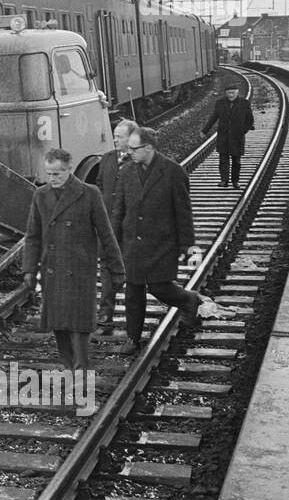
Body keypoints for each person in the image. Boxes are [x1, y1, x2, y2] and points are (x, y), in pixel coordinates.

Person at [23, 148, 124, 371]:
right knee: (59, 325)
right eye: (49, 174)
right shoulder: (41, 195)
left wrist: (117, 270)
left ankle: (80, 372)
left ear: (70, 170)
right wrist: (29, 269)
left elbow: (106, 233)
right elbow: (33, 235)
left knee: (79, 326)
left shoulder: (89, 193)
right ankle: (69, 370)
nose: (52, 179)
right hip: (54, 268)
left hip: (80, 269)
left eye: (57, 174)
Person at [111, 127, 206, 352]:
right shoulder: (126, 172)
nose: (129, 152)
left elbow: (183, 212)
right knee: (133, 291)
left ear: (149, 148)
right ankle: (132, 338)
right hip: (132, 243)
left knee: (159, 287)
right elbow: (118, 210)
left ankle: (188, 301)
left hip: (162, 243)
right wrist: (113, 242)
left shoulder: (173, 172)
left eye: (134, 148)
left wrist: (187, 245)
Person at [95, 118, 139, 326]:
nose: (114, 140)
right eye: (114, 135)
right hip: (107, 226)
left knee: (130, 271)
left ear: (131, 139)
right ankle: (105, 313)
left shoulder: (139, 162)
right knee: (105, 267)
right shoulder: (107, 159)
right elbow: (100, 186)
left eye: (119, 136)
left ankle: (132, 319)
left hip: (130, 228)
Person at [203, 80, 255, 188]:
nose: (231, 95)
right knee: (223, 159)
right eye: (229, 93)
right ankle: (224, 180)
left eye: (233, 93)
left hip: (237, 137)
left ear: (237, 93)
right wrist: (204, 131)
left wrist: (243, 130)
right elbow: (214, 117)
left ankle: (235, 181)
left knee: (236, 160)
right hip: (223, 136)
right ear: (226, 93)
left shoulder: (244, 103)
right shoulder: (220, 103)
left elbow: (250, 120)